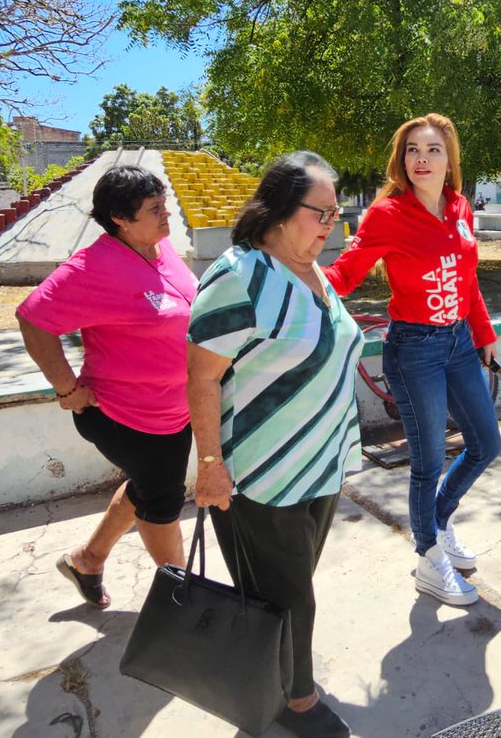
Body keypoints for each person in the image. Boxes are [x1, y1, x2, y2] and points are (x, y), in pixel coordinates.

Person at [188, 151, 361, 738]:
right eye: (322, 212)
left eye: (336, 214)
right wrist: (209, 464)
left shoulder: (313, 272)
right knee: (292, 599)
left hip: (317, 465)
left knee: (284, 591)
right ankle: (297, 703)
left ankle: (271, 678)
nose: (331, 225)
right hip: (259, 473)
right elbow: (202, 377)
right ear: (283, 211)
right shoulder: (240, 275)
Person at [323, 113, 501, 606]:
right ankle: (427, 557)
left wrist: (483, 333)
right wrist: (300, 282)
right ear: (402, 160)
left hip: (459, 343)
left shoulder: (460, 207)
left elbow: (467, 280)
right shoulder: (387, 213)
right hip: (415, 349)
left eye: (433, 150)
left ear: (450, 160)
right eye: (412, 151)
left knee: (486, 443)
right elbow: (345, 272)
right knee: (425, 461)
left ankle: (438, 522)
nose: (421, 159)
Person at [17, 165, 197, 608]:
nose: (166, 215)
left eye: (164, 204)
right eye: (155, 209)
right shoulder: (92, 267)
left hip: (174, 409)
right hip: (125, 416)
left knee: (148, 485)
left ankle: (87, 560)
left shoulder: (160, 247)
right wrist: (66, 389)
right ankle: (180, 600)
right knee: (162, 501)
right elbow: (32, 319)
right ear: (120, 217)